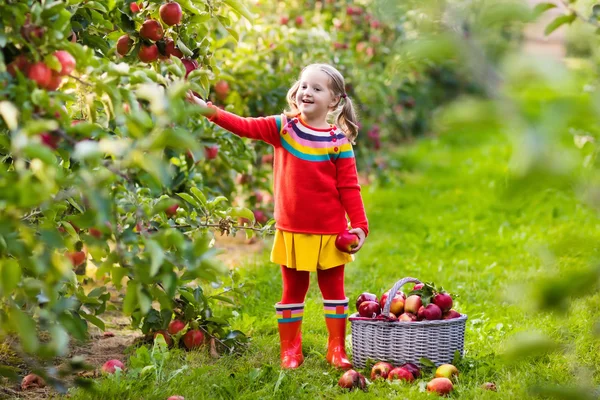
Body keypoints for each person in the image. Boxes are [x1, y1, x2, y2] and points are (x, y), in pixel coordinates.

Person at [187, 63, 369, 370]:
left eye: (316, 88)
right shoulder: (283, 128)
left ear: (334, 101)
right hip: (293, 229)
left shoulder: (338, 140)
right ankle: (290, 350)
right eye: (303, 85)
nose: (306, 92)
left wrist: (360, 226)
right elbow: (244, 125)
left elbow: (349, 188)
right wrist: (209, 110)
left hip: (331, 232)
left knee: (334, 293)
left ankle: (336, 349)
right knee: (292, 292)